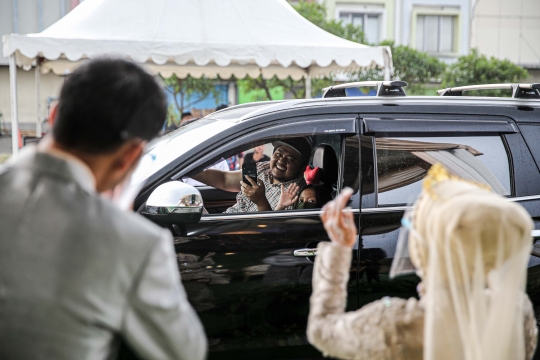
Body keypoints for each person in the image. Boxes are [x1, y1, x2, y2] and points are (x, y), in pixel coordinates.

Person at [0, 59, 207, 360]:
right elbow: (186, 352)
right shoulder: (133, 243)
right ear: (131, 155)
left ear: (54, 113)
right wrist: (116, 216)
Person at [307, 164, 537, 360]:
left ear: (428, 247)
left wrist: (339, 248)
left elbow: (321, 330)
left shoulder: (396, 325)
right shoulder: (517, 310)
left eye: (413, 228)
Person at [192, 137, 311, 212]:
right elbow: (225, 179)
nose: (281, 160)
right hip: (227, 223)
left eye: (290, 159)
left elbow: (271, 230)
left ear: (301, 169)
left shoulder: (295, 193)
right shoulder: (263, 168)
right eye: (279, 154)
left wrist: (260, 201)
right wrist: (189, 172)